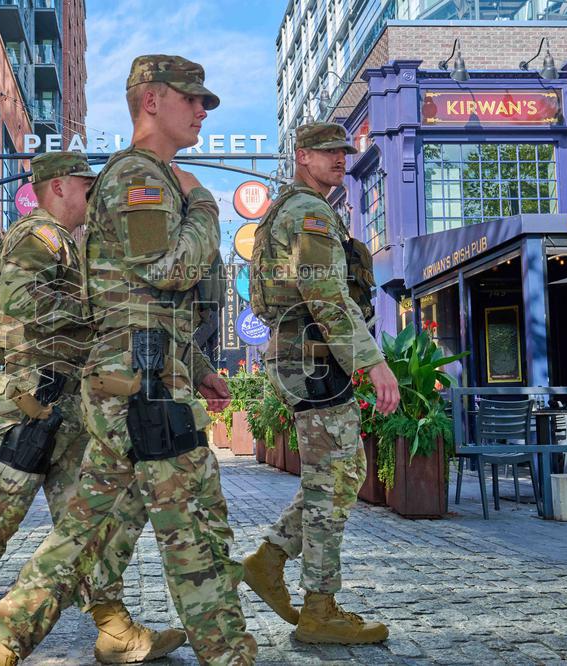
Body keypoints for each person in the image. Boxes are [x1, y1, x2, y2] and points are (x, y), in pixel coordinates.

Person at [0, 55, 257, 666]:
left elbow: (139, 297)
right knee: (195, 523)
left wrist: (199, 366)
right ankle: (228, 652)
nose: (202, 111)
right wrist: (206, 210)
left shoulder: (148, 178)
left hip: (139, 371)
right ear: (151, 100)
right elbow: (168, 271)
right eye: (192, 99)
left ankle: (0, 643)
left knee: (85, 531)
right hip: (143, 382)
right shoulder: (139, 178)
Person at [0, 151, 184, 665]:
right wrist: (96, 312)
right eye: (86, 188)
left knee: (88, 519)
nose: (94, 197)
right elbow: (25, 300)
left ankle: (112, 628)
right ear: (58, 187)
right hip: (30, 400)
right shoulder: (37, 235)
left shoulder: (70, 245)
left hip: (62, 399)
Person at [243, 122, 401, 645]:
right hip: (312, 357)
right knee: (333, 479)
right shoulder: (308, 213)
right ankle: (319, 607)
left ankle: (269, 561)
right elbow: (326, 296)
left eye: (345, 151)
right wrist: (372, 361)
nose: (341, 159)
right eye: (331, 152)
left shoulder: (302, 209)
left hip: (308, 356)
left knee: (341, 470)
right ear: (303, 155)